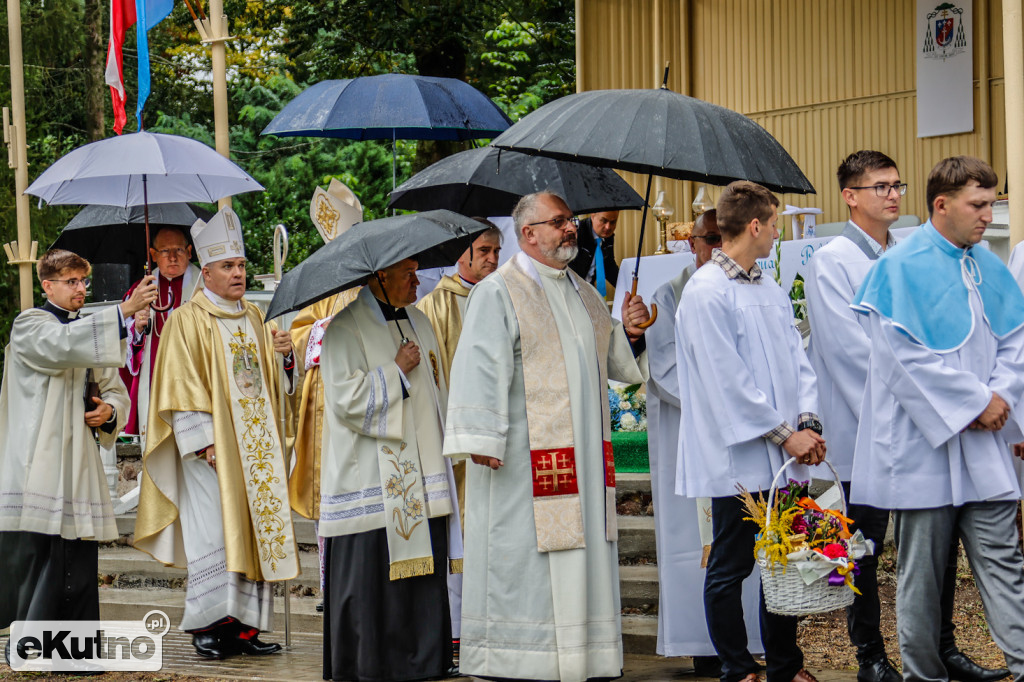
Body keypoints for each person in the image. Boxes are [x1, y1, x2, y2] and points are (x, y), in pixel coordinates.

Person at [805, 151, 1006, 682]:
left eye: (897, 185)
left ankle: (943, 649)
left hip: (933, 425)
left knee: (933, 550)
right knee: (866, 550)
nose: (892, 195)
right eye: (879, 187)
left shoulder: (920, 253)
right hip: (872, 431)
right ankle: (870, 653)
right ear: (850, 196)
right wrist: (928, 405)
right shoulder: (832, 261)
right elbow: (855, 356)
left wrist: (947, 401)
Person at [443, 191, 651, 682]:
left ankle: (583, 654)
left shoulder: (581, 290)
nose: (569, 229)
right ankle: (518, 657)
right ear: (528, 233)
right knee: (526, 560)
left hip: (583, 459)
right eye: (557, 222)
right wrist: (481, 436)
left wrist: (634, 331)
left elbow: (616, 361)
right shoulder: (499, 291)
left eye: (570, 221)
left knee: (583, 555)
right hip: (522, 461)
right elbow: (479, 365)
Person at [134, 207, 300, 660]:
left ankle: (246, 629)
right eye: (228, 266)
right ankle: (209, 625)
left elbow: (274, 388)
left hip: (257, 451)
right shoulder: (189, 320)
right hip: (211, 453)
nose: (238, 273)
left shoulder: (256, 318)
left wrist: (285, 358)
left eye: (242, 265)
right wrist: (204, 441)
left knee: (253, 531)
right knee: (215, 535)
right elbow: (179, 383)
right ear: (204, 271)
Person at [675, 181, 825, 682]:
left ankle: (785, 663)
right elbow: (727, 381)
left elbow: (797, 358)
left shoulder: (768, 286)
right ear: (755, 225)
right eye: (775, 224)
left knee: (782, 561)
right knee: (732, 565)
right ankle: (736, 667)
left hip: (784, 451)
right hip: (739, 457)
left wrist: (807, 419)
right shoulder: (705, 291)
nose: (778, 233)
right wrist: (787, 435)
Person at [0, 250, 156, 652]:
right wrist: (124, 311)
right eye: (71, 281)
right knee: (46, 550)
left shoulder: (90, 333)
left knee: (78, 551)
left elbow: (115, 390)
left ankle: (79, 648)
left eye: (83, 281)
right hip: (41, 461)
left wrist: (109, 412)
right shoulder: (29, 325)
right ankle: (34, 644)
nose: (81, 289)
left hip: (79, 464)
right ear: (47, 285)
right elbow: (60, 348)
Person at [319, 256, 461, 682]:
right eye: (408, 273)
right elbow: (345, 400)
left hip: (423, 473)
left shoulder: (418, 320)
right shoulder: (344, 328)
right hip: (370, 479)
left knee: (422, 577)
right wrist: (395, 371)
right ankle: (371, 663)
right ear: (380, 277)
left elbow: (437, 387)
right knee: (373, 579)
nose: (418, 280)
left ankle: (426, 660)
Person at [647, 210, 759, 673]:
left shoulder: (749, 288)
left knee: (742, 542)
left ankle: (744, 641)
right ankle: (699, 641)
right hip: (687, 433)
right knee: (688, 541)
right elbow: (664, 367)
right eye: (706, 238)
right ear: (688, 242)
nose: (714, 246)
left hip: (742, 434)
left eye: (723, 237)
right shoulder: (667, 296)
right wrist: (721, 400)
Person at [417, 219, 502, 670]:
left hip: (504, 444)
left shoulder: (508, 295)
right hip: (459, 447)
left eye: (496, 251)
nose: (492, 259)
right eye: (484, 250)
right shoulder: (435, 307)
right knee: (461, 540)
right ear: (462, 254)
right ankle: (456, 634)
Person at [288, 180, 364, 613]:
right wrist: (325, 329)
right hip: (325, 402)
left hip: (367, 395)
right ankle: (330, 584)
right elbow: (301, 333)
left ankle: (362, 581)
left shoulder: (375, 279)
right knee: (328, 490)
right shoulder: (318, 278)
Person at [120, 225, 202, 445]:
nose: (173, 257)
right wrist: (137, 326)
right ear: (153, 255)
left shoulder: (204, 286)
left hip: (194, 378)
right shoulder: (141, 290)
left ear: (190, 252)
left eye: (179, 250)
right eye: (165, 251)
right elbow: (123, 344)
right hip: (153, 377)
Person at [569, 210, 620, 296]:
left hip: (589, 291)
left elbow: (609, 266)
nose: (608, 227)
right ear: (593, 216)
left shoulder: (608, 237)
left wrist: (628, 287)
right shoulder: (577, 233)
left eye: (613, 222)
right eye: (604, 221)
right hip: (572, 291)